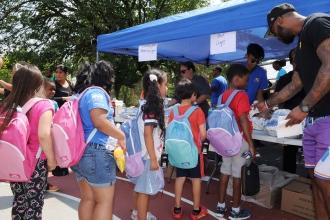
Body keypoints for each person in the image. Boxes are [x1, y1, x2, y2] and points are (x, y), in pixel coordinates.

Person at [265, 3, 330, 219]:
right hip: (313, 123)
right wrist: (267, 104)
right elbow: (294, 85)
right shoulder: (301, 44)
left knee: (327, 187)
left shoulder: (316, 23)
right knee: (316, 185)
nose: (275, 36)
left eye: (273, 31)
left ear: (279, 20)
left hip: (327, 120)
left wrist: (303, 106)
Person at [71, 61, 126, 220]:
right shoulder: (96, 93)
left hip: (81, 151)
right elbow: (99, 120)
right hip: (97, 151)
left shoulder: (82, 94)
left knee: (88, 199)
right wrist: (120, 136)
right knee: (104, 202)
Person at [1, 63, 57, 219]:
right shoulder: (44, 105)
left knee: (19, 201)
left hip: (16, 160)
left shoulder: (9, 104)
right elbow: (44, 135)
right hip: (36, 163)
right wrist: (52, 160)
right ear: (37, 84)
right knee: (34, 204)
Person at [216, 64, 255, 220]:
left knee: (225, 170)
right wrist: (251, 144)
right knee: (238, 172)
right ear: (236, 79)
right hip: (239, 141)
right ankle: (236, 210)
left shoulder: (221, 96)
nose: (247, 83)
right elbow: (243, 119)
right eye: (245, 80)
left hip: (225, 142)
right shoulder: (241, 95)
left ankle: (220, 207)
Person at [130, 69, 167, 220]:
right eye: (165, 84)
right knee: (144, 191)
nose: (167, 88)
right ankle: (141, 216)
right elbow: (147, 133)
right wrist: (153, 159)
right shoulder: (151, 108)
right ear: (158, 86)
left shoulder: (143, 105)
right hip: (147, 155)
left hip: (140, 154)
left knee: (139, 188)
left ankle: (137, 212)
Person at [169, 79, 208, 220]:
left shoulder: (173, 111)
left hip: (178, 152)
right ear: (193, 95)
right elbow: (203, 135)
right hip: (193, 153)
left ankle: (177, 209)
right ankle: (196, 211)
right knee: (196, 179)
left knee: (180, 178)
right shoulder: (197, 111)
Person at [274, 49, 305, 174]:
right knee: (290, 152)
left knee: (293, 152)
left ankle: (291, 182)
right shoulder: (285, 78)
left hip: (304, 117)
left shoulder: (312, 76)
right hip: (290, 118)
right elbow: (279, 101)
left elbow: (279, 102)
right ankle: (290, 185)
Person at [37, 77, 61, 192]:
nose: (52, 91)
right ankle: (43, 185)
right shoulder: (39, 103)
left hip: (49, 137)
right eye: (49, 89)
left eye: (54, 89)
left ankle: (44, 183)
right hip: (41, 138)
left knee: (44, 164)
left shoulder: (54, 103)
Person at [52, 64, 73, 176]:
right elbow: (48, 97)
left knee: (66, 142)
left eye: (60, 72)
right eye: (57, 72)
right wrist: (63, 99)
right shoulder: (53, 85)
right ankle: (57, 168)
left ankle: (65, 165)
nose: (58, 74)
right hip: (56, 116)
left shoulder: (70, 84)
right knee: (58, 142)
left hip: (67, 117)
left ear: (66, 74)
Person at [245, 43, 268, 108]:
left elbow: (259, 94)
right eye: (252, 60)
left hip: (249, 108)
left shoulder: (262, 72)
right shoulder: (238, 69)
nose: (255, 64)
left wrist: (263, 108)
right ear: (246, 56)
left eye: (257, 62)